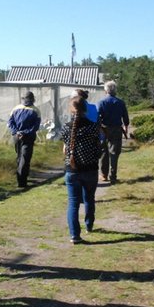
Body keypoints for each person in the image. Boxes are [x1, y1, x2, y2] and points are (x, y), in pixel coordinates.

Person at [60, 96, 101, 243]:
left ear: (70, 110)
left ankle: (74, 235)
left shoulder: (66, 128)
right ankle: (89, 225)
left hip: (72, 170)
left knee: (73, 202)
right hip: (90, 169)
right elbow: (99, 147)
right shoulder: (92, 127)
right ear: (85, 109)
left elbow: (65, 149)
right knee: (89, 198)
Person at [97, 80, 130, 184]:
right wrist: (126, 129)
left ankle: (104, 174)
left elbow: (98, 117)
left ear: (105, 90)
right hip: (116, 129)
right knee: (114, 153)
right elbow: (126, 118)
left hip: (104, 129)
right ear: (115, 90)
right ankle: (113, 175)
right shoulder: (120, 102)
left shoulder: (101, 102)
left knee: (104, 152)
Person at [7, 90, 41, 188]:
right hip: (22, 136)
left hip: (22, 137)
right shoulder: (33, 110)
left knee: (23, 157)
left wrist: (18, 132)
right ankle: (22, 180)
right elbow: (11, 122)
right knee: (22, 158)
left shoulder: (35, 110)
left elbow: (35, 126)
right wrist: (18, 132)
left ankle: (21, 181)